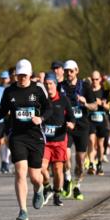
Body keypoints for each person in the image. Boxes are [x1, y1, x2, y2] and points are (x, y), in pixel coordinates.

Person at [0, 59, 49, 220]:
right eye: (19, 75)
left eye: (24, 75)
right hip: (17, 136)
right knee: (20, 172)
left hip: (35, 136)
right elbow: (3, 111)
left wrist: (41, 118)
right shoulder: (9, 91)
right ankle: (23, 210)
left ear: (30, 74)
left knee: (35, 176)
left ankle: (39, 188)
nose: (22, 78)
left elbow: (49, 109)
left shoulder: (38, 89)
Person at [59, 60, 94, 199]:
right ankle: (67, 178)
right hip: (66, 126)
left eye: (71, 71)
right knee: (65, 156)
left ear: (77, 71)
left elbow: (94, 106)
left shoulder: (85, 86)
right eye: (66, 71)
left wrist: (86, 103)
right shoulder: (60, 86)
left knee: (80, 161)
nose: (69, 73)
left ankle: (77, 186)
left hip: (82, 127)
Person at [42, 73, 75, 206]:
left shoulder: (63, 99)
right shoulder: (42, 100)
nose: (48, 86)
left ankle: (56, 194)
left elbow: (71, 117)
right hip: (45, 141)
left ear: (55, 85)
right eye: (46, 84)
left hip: (60, 140)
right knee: (41, 168)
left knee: (57, 170)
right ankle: (47, 187)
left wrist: (71, 124)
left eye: (50, 84)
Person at [86, 71, 109, 175]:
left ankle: (99, 163)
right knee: (91, 141)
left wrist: (102, 104)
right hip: (90, 118)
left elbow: (109, 107)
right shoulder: (88, 90)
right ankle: (91, 164)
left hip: (101, 119)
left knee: (100, 144)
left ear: (100, 79)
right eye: (93, 79)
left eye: (96, 79)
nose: (94, 81)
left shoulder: (104, 91)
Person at [0, 70, 12, 173]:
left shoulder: (11, 88)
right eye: (2, 78)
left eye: (5, 78)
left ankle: (7, 162)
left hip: (9, 118)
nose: (4, 80)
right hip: (1, 118)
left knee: (8, 141)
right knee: (1, 141)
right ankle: (4, 162)